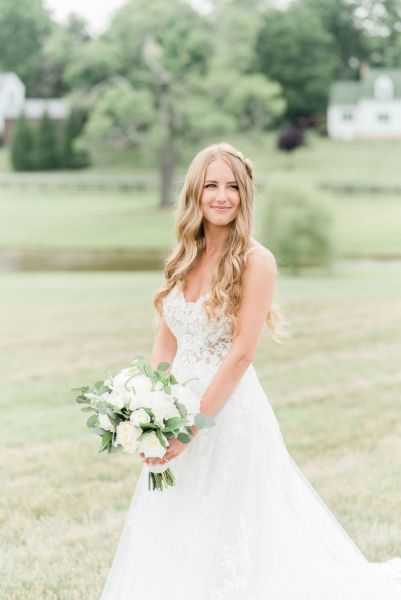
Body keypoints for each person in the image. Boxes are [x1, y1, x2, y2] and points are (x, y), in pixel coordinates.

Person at [100, 142, 401, 599]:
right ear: (194, 194)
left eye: (232, 186)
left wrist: (193, 427)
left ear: (245, 195)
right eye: (211, 185)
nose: (222, 196)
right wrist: (150, 411)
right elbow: (167, 338)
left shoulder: (256, 262)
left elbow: (241, 354)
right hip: (175, 405)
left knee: (235, 524)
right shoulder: (184, 257)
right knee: (176, 513)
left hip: (227, 414)